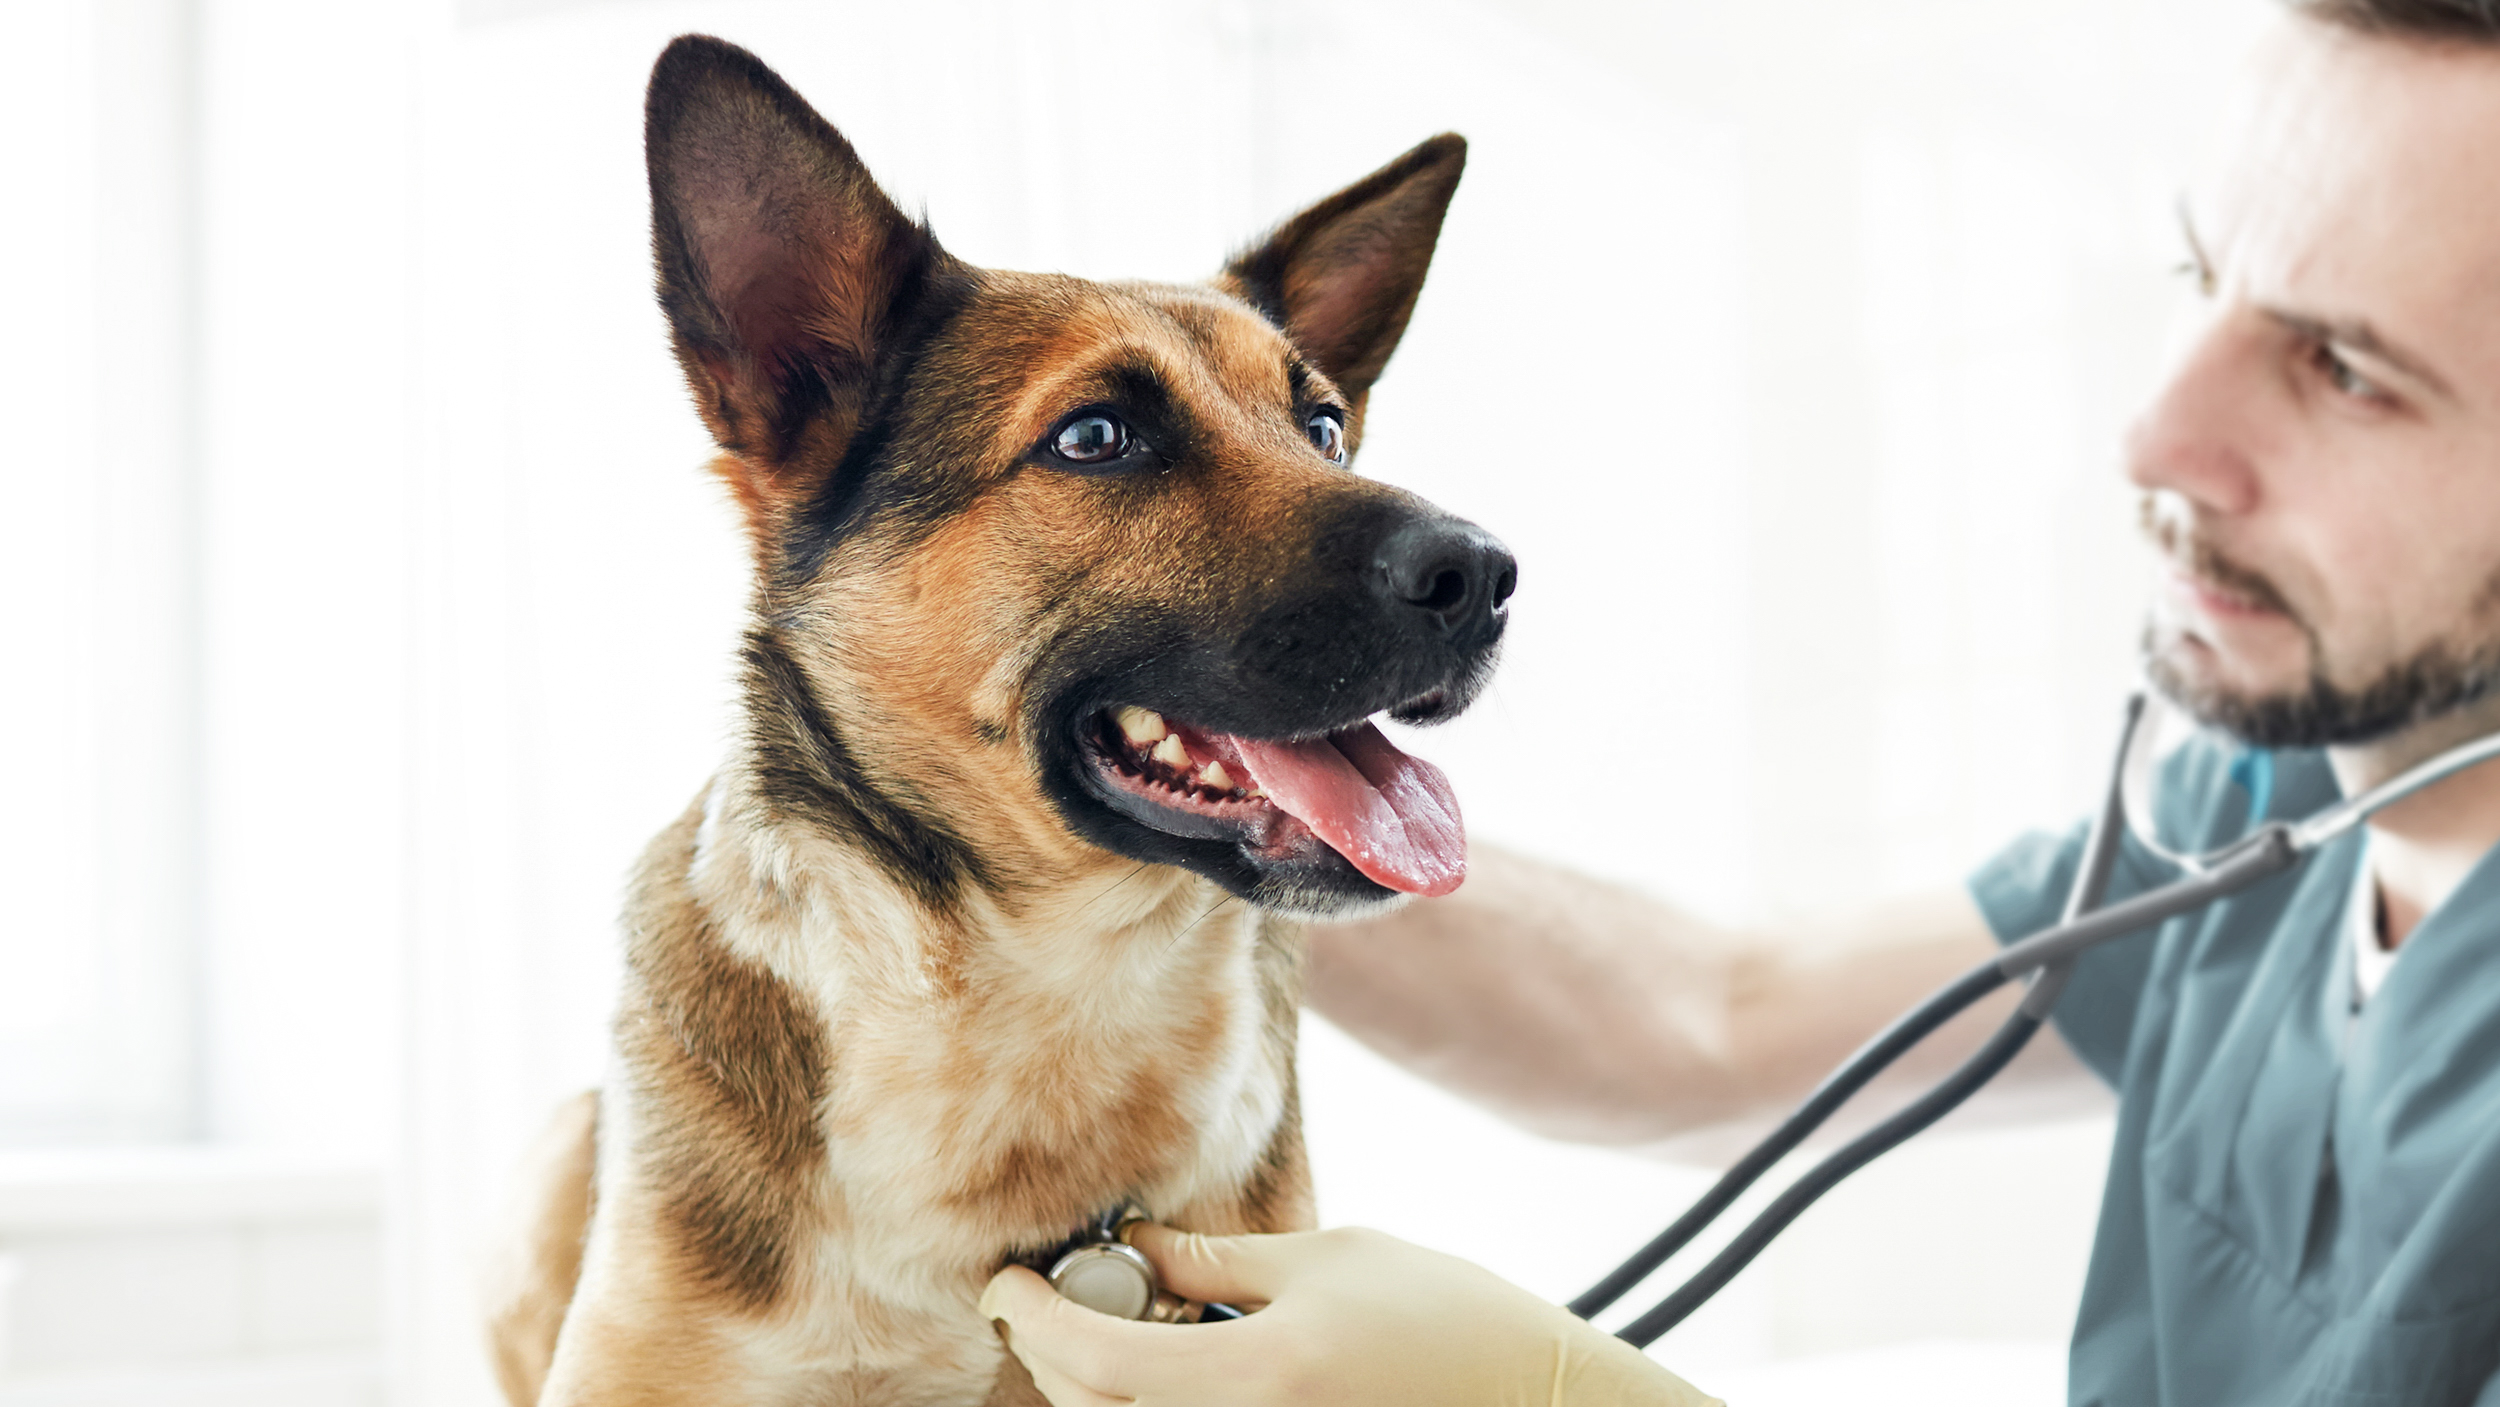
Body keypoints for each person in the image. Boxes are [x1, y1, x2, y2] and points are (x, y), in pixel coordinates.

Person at [981, 0, 2500, 1401]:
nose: (2156, 436)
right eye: (2200, 275)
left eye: (2346, 369)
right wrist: (1184, 792)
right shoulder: (2254, 806)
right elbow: (1705, 1021)